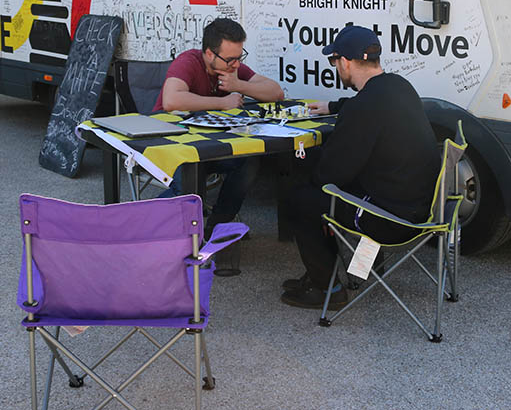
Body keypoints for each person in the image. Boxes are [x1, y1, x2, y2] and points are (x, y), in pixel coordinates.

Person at [280, 25, 440, 310]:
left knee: (301, 199)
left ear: (345, 62)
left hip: (390, 220)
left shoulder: (362, 108)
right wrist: (335, 106)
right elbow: (368, 106)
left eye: (334, 61)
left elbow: (331, 176)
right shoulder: (399, 86)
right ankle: (342, 269)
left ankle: (326, 288)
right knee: (317, 183)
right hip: (422, 207)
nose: (335, 66)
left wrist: (305, 167)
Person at [153, 17, 284, 233]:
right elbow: (171, 100)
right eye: (231, 59)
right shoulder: (188, 61)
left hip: (210, 147)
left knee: (249, 161)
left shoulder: (231, 69)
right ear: (209, 54)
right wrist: (223, 102)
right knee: (187, 185)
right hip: (172, 147)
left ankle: (217, 226)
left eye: (240, 57)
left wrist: (239, 85)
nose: (237, 64)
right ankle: (140, 223)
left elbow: (276, 92)